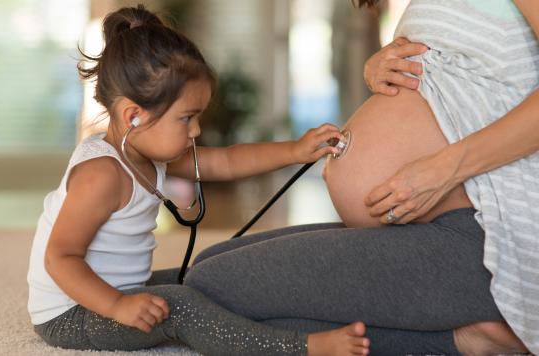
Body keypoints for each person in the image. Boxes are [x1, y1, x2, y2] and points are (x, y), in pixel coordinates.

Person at [183, 0, 538, 354]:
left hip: (488, 237)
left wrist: (444, 169)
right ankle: (468, 336)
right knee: (211, 268)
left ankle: (467, 342)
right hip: (430, 230)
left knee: (212, 288)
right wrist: (381, 66)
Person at [26, 5, 373, 355]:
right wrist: (118, 305)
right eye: (186, 118)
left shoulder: (146, 152)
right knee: (184, 309)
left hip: (120, 289)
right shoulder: (101, 175)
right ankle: (301, 348)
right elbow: (60, 258)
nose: (197, 130)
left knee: (208, 278)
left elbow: (225, 161)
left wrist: (296, 150)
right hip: (73, 313)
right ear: (134, 116)